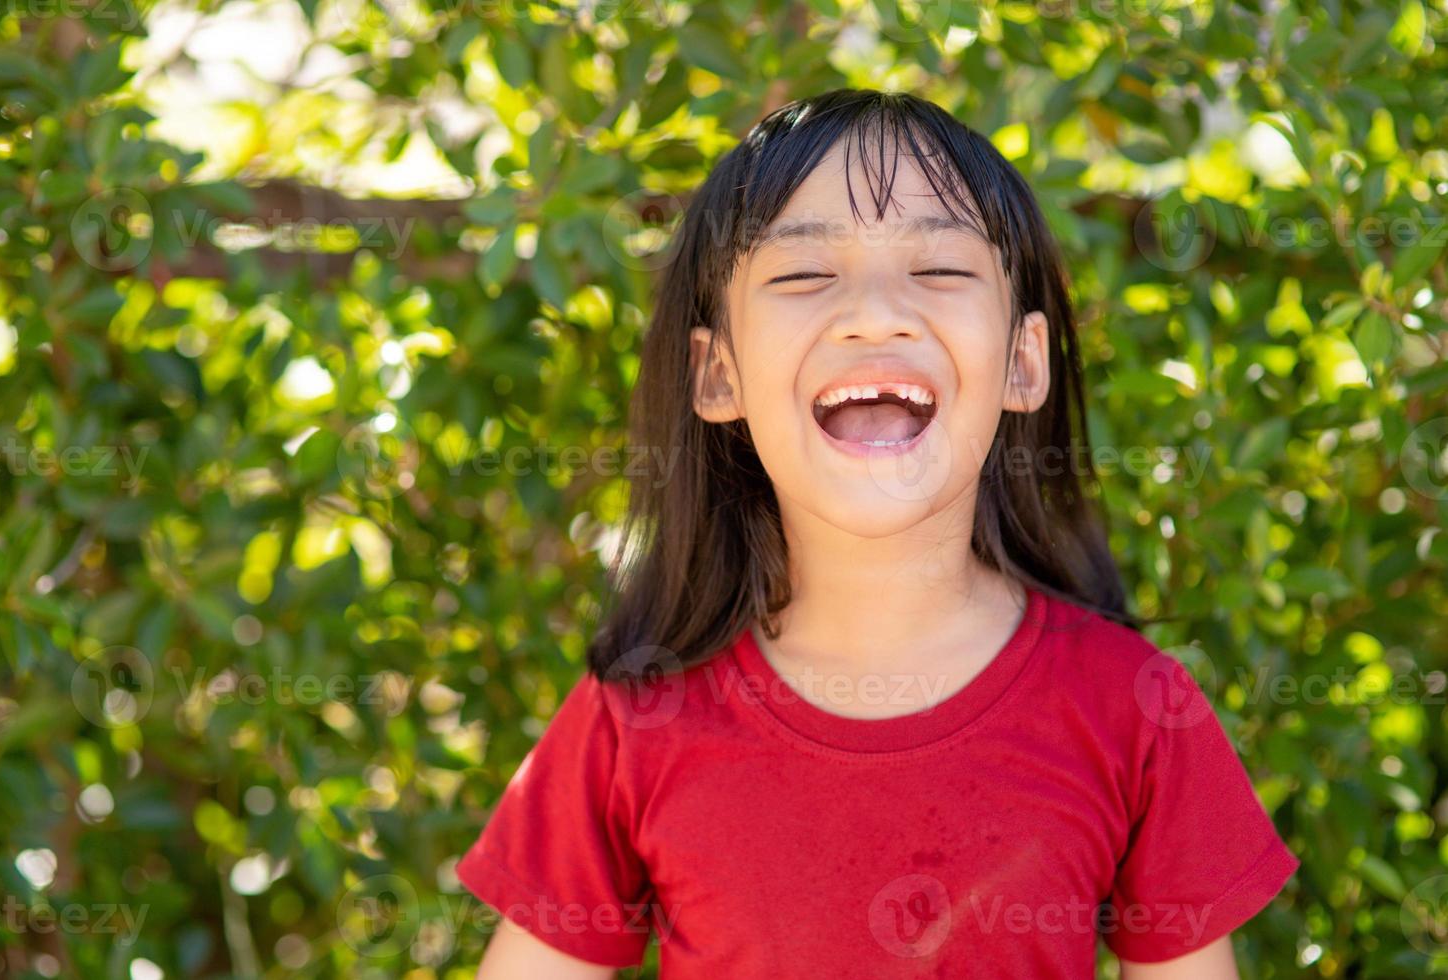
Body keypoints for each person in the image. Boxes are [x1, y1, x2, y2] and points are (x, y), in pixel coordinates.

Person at [457, 89, 1298, 978]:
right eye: (804, 275)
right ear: (717, 373)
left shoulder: (1136, 708)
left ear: (1023, 359)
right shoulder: (635, 716)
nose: (876, 313)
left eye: (937, 269)